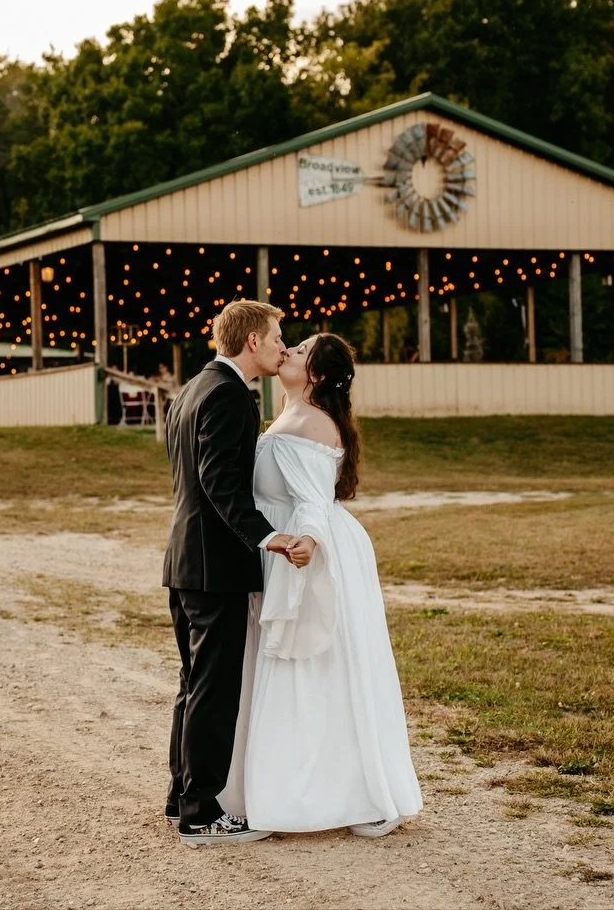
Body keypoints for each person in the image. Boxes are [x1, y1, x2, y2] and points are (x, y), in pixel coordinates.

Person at [221, 332, 423, 839]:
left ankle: (325, 792)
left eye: (302, 350)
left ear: (316, 376)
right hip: (285, 547)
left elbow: (311, 500)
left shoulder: (311, 421)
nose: (287, 350)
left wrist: (307, 541)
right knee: (303, 669)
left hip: (309, 554)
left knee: (315, 669)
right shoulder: (290, 416)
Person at [163, 300, 303, 846]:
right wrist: (269, 538)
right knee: (214, 690)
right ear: (251, 342)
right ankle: (202, 813)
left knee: (193, 685)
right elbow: (220, 482)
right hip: (214, 566)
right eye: (275, 337)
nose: (280, 346)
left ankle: (181, 798)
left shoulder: (191, 389)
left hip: (185, 559)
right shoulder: (228, 395)